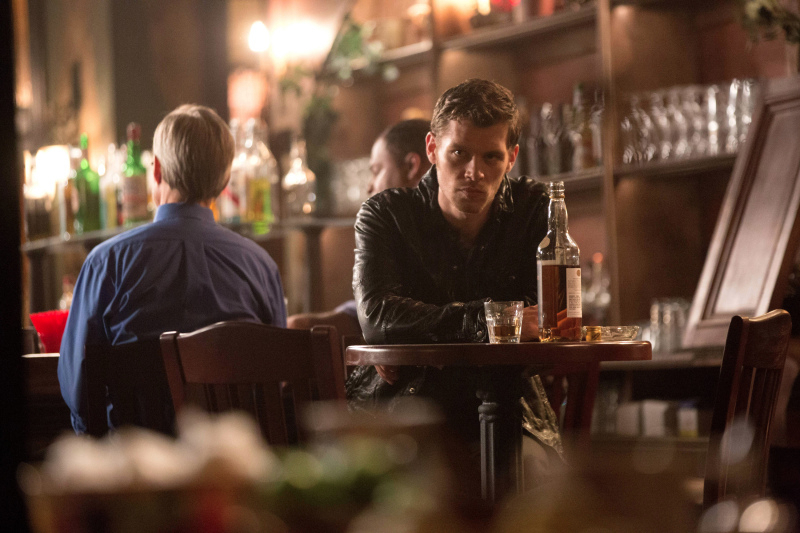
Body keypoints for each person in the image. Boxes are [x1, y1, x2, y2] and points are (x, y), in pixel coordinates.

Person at [347, 79, 562, 487]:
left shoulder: (536, 208)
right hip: (407, 405)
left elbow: (547, 322)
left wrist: (416, 334)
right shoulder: (385, 215)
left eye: (491, 157)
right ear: (432, 149)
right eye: (459, 153)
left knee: (532, 484)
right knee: (413, 487)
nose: (473, 172)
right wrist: (492, 321)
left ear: (512, 158)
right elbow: (379, 318)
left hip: (512, 408)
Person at [59, 104, 287, 435]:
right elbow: (276, 381)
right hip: (232, 459)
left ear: (157, 170)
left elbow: (77, 391)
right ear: (225, 180)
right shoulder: (260, 266)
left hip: (134, 461)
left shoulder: (106, 262)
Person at [287, 119, 431, 335]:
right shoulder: (391, 230)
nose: (369, 186)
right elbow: (373, 307)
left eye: (376, 170)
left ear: (412, 166)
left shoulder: (433, 231)